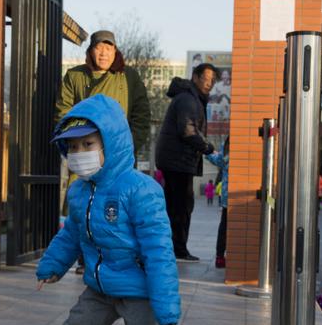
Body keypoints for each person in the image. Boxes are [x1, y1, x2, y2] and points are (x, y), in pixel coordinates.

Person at [36, 95, 194, 325]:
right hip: (99, 287)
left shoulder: (139, 189)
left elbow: (158, 250)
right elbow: (71, 234)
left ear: (111, 141)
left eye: (88, 144)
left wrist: (165, 302)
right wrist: (52, 266)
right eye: (73, 147)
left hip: (137, 290)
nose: (79, 154)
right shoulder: (80, 191)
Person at [55, 30, 151, 274]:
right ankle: (84, 256)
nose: (104, 52)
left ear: (116, 51)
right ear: (91, 50)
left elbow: (141, 116)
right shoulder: (75, 76)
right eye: (99, 47)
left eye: (109, 47)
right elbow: (63, 113)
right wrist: (77, 142)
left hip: (117, 159)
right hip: (85, 154)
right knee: (81, 202)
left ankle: (114, 255)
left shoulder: (128, 77)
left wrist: (128, 147)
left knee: (115, 205)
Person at [155, 63, 219, 262]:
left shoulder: (192, 98)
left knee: (178, 205)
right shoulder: (188, 99)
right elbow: (188, 130)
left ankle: (174, 247)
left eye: (212, 81)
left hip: (178, 161)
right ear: (195, 77)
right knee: (180, 206)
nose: (209, 84)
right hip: (177, 162)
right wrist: (208, 148)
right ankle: (177, 249)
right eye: (205, 79)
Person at [207, 137, 229, 269]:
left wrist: (207, 152)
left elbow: (217, 159)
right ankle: (227, 256)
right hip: (234, 194)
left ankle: (220, 257)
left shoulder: (226, 149)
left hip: (227, 194)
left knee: (224, 227)